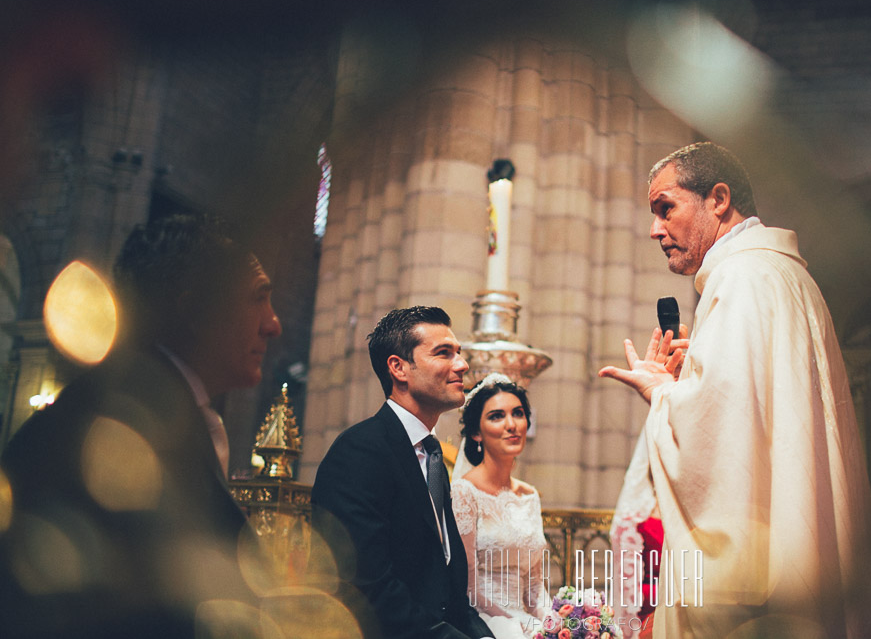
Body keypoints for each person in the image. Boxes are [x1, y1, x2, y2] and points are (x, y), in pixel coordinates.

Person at [600, 142, 871, 639]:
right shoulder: (781, 274)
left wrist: (662, 394)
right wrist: (689, 382)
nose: (655, 229)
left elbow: (720, 446)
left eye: (665, 208)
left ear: (718, 199)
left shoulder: (741, 280)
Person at [0, 213, 283, 638]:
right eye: (258, 298)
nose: (273, 324)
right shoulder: (123, 427)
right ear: (194, 309)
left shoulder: (164, 408)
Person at [311, 306, 494, 639]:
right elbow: (368, 588)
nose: (462, 365)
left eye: (459, 353)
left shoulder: (433, 454)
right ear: (398, 368)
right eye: (444, 353)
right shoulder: (359, 452)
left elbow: (449, 590)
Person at [451, 373, 551, 639]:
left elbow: (534, 584)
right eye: (496, 416)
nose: (511, 424)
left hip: (526, 623)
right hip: (484, 621)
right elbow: (467, 586)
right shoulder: (464, 492)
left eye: (518, 413)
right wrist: (519, 625)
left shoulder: (530, 495)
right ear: (475, 433)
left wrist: (551, 621)